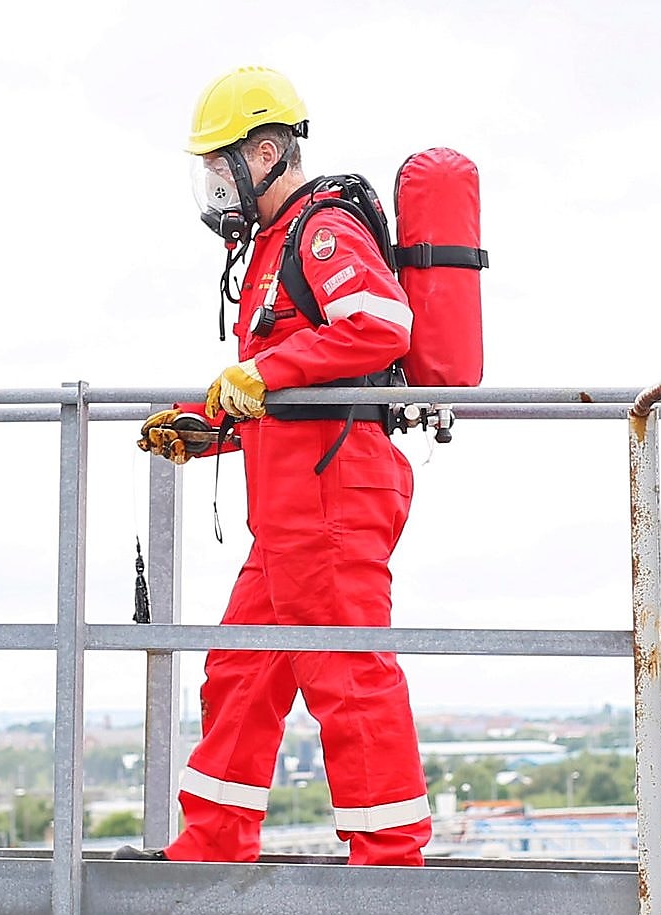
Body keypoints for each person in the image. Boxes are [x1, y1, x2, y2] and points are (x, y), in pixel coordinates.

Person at [136, 66, 429, 867]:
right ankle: (215, 840)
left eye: (217, 166)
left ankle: (390, 859)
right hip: (292, 503)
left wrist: (264, 375)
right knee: (243, 671)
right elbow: (292, 389)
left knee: (347, 675)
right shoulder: (271, 245)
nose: (212, 187)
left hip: (333, 497)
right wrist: (208, 427)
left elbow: (379, 325)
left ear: (264, 153)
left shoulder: (322, 230)